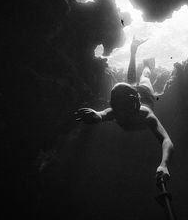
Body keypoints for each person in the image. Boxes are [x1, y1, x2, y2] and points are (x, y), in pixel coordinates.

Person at [74, 36, 174, 180]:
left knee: (144, 78)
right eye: (119, 107)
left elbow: (166, 140)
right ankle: (135, 52)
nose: (122, 113)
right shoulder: (119, 110)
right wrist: (96, 115)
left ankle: (146, 64)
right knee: (133, 80)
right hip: (135, 94)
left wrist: (164, 164)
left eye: (124, 108)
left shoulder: (146, 115)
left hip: (145, 94)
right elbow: (102, 114)